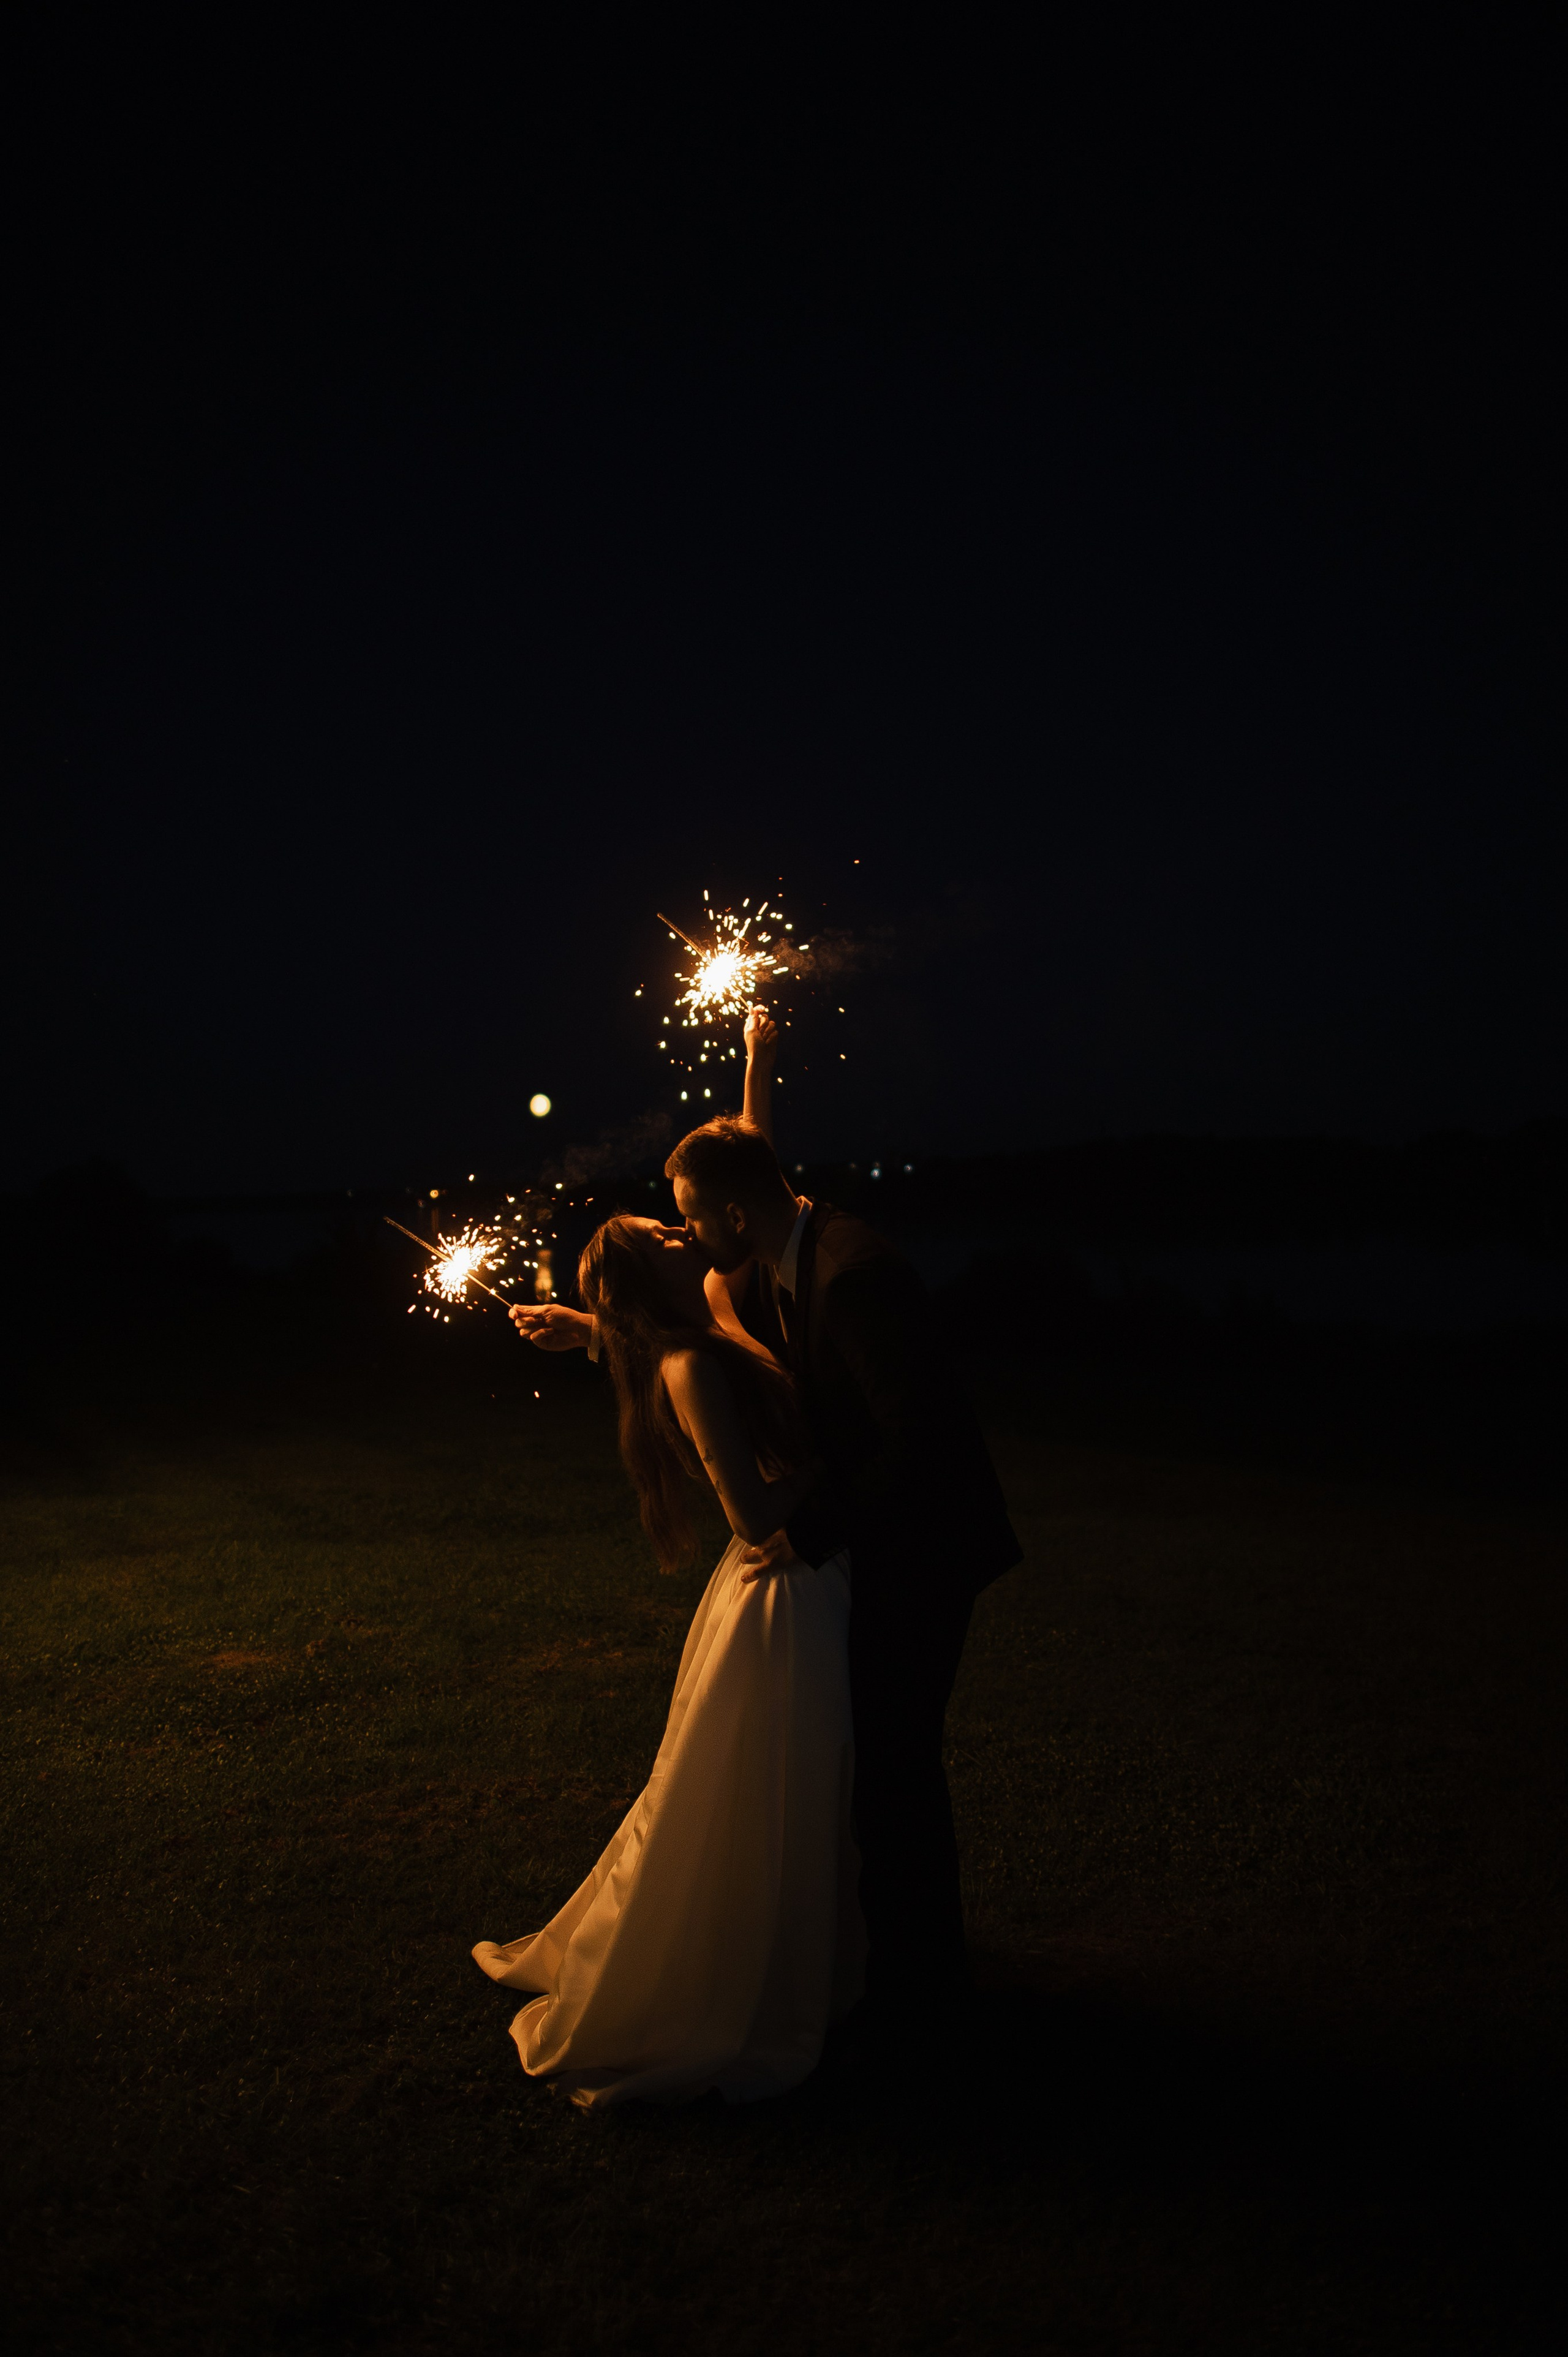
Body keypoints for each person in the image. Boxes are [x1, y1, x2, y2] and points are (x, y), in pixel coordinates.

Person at [514, 1013, 1022, 2029]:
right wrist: (594, 1329)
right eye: (675, 1228)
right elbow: (704, 1296)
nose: (685, 1230)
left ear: (731, 1222)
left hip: (910, 1545)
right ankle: (880, 1974)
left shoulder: (828, 1271)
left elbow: (914, 1439)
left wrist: (811, 1522)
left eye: (686, 1218)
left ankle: (913, 1986)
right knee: (858, 1776)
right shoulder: (742, 1276)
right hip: (831, 1552)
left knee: (888, 1771)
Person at [472, 1159, 864, 2108]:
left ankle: (826, 1965)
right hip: (783, 1591)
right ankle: (725, 1985)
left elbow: (746, 1187)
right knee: (765, 1796)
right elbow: (752, 1517)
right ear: (657, 1274)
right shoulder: (690, 1363)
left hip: (806, 1584)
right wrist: (843, 1465)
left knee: (808, 1789)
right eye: (664, 1232)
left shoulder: (714, 1315)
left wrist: (757, 1055)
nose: (683, 1230)